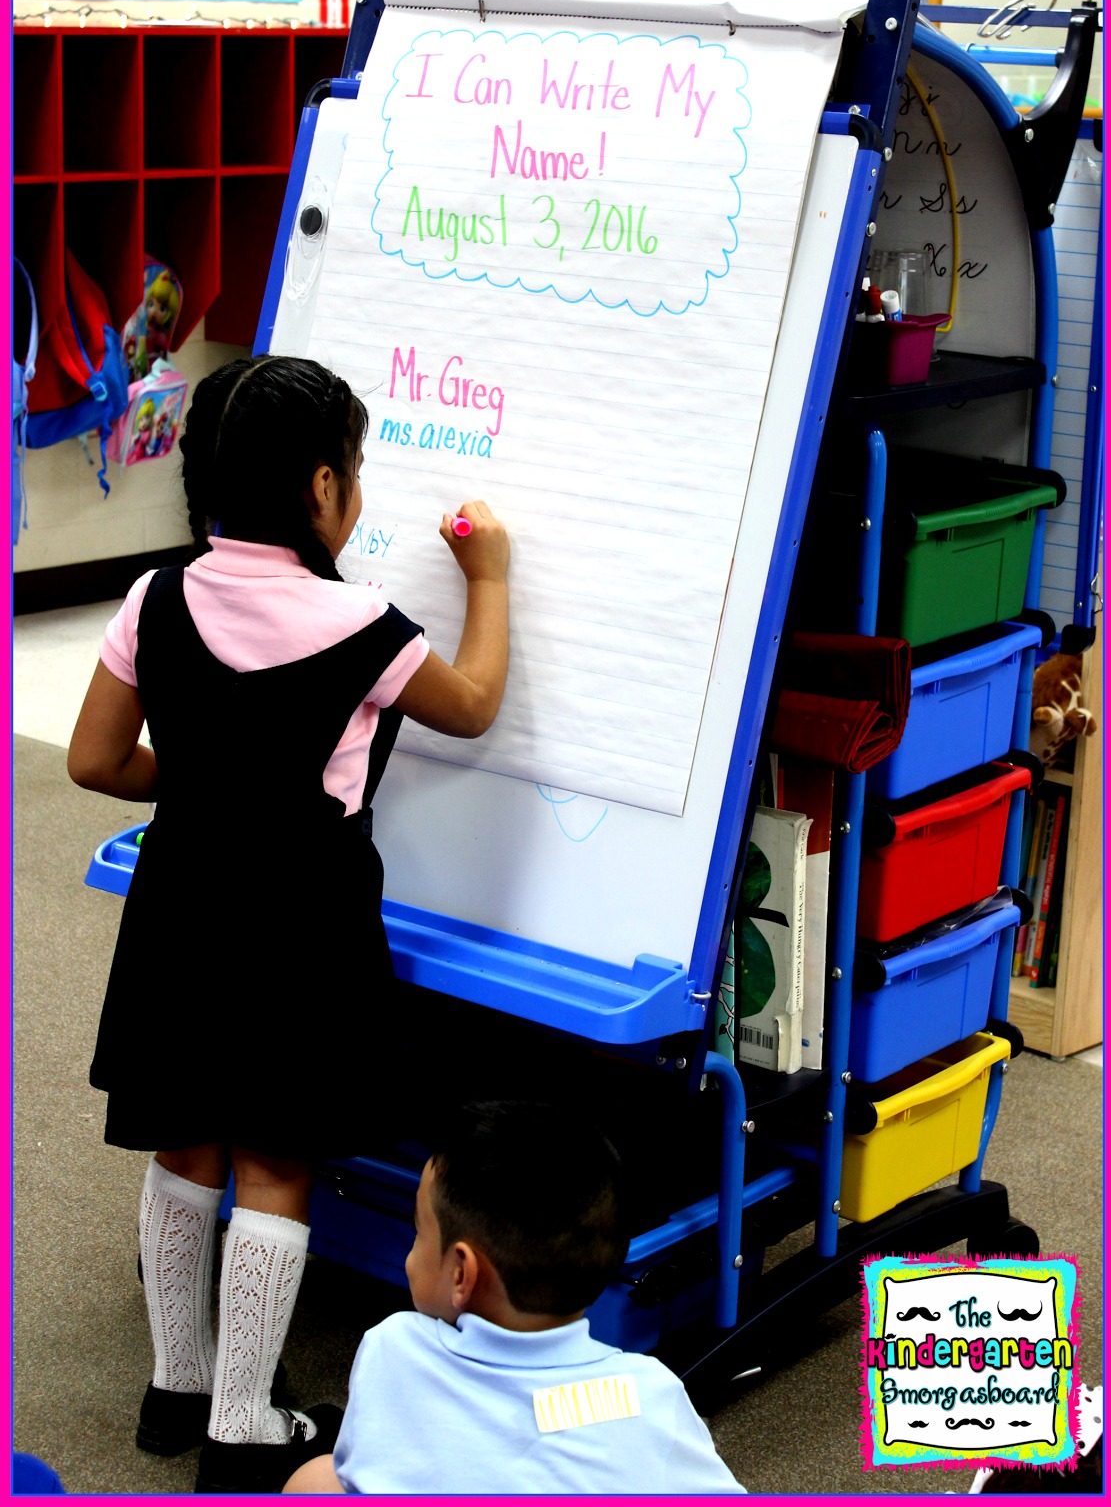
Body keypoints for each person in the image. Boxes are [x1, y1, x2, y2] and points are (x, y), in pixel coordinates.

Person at [67, 354, 510, 1495]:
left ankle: (176, 1388)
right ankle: (243, 1424)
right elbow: (472, 704)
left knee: (184, 1144)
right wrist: (492, 575)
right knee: (275, 1160)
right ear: (325, 489)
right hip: (301, 928)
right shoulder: (363, 623)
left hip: (179, 911)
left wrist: (205, 779)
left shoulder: (153, 597)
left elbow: (95, 758)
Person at [283, 1101, 746, 1495]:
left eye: (418, 1232)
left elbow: (367, 1469)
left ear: (461, 1273)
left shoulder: (395, 1349)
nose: (411, 1253)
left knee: (312, 1479)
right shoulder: (648, 1392)